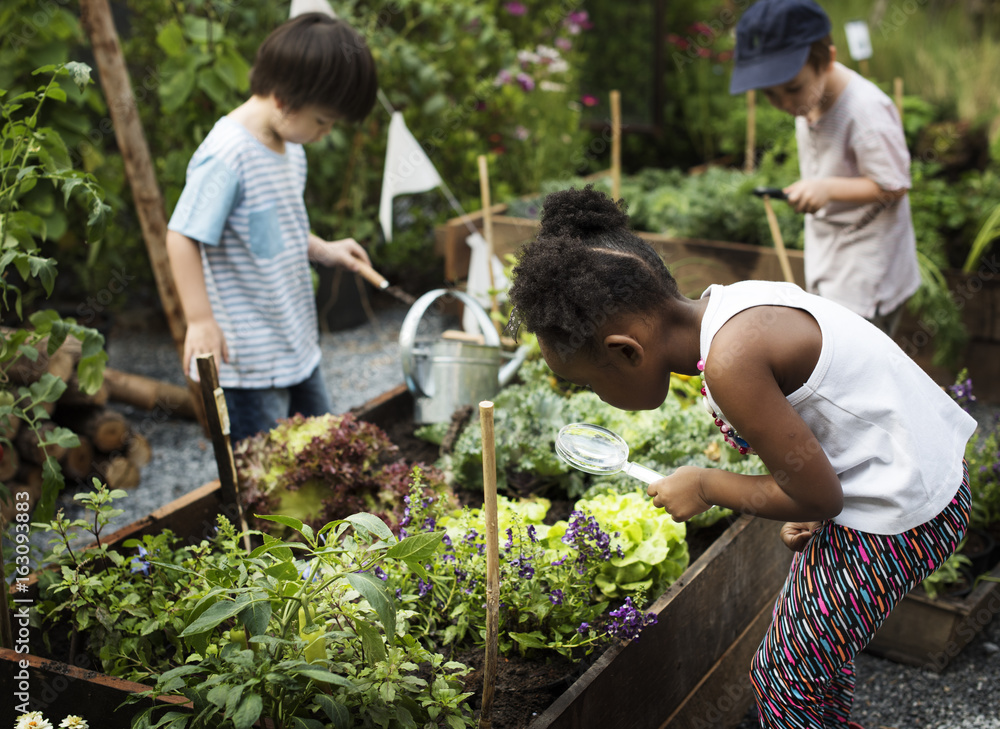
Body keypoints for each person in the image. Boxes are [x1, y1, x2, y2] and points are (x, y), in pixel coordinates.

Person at [506, 186, 975, 729]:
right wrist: (813, 505)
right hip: (916, 475)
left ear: (624, 351)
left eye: (588, 384)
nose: (594, 396)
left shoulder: (731, 363)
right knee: (811, 660)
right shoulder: (729, 308)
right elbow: (830, 422)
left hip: (907, 509)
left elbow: (819, 493)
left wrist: (707, 486)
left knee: (782, 678)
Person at [166, 13, 378, 442]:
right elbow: (181, 235)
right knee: (265, 475)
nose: (326, 133)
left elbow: (276, 230)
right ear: (283, 99)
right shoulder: (228, 156)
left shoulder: (287, 146)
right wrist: (200, 318)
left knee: (321, 447)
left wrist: (325, 249)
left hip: (293, 341)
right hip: (247, 360)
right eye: (323, 121)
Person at [730, 0, 920, 336]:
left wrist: (827, 188)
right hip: (832, 258)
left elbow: (894, 184)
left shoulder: (866, 111)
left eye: (792, 89)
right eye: (770, 95)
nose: (786, 104)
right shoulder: (810, 100)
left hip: (867, 273)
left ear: (827, 60)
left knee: (856, 367)